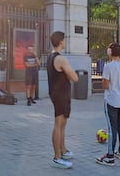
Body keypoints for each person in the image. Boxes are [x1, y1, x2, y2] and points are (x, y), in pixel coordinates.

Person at [46, 31, 78, 169]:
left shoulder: (51, 56)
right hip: (60, 95)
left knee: (62, 123)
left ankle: (63, 150)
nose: (65, 42)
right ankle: (57, 157)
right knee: (58, 124)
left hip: (59, 94)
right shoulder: (60, 59)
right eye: (64, 40)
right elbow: (75, 77)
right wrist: (70, 74)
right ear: (60, 42)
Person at [96, 43, 120, 166]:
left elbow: (105, 85)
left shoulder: (108, 66)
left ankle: (110, 157)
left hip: (110, 100)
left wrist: (104, 82)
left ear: (110, 52)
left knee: (112, 128)